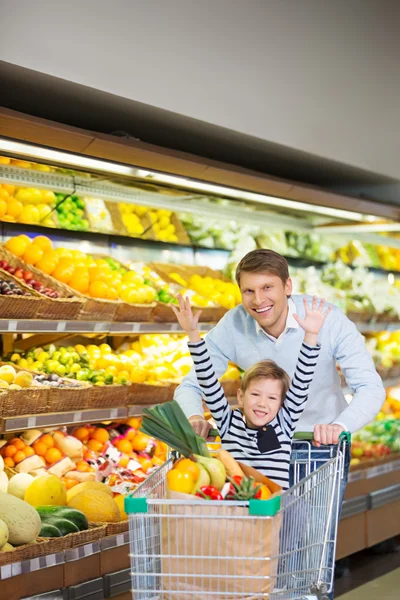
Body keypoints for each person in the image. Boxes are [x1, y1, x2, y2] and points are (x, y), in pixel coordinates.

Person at [174, 249, 385, 445]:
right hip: (263, 448)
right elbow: (192, 385)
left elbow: (370, 388)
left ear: (287, 286)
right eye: (248, 290)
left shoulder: (326, 319)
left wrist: (340, 426)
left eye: (267, 287)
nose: (258, 300)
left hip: (322, 447)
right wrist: (194, 417)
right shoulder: (233, 324)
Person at [172, 294, 331, 489]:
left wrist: (311, 336)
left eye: (272, 398)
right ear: (240, 396)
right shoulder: (228, 422)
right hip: (234, 513)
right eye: (255, 394)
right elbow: (208, 380)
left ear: (282, 403)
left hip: (270, 512)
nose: (262, 403)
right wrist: (193, 333)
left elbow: (302, 380)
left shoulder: (284, 421)